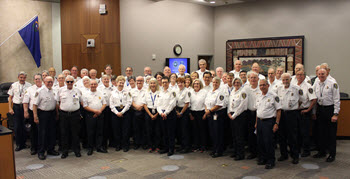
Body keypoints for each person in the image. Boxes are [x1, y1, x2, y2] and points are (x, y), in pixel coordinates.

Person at [313, 68, 340, 162]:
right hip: (320, 109)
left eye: (323, 74)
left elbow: (337, 100)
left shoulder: (333, 83)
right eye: (319, 74)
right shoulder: (316, 82)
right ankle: (322, 152)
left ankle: (332, 154)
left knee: (331, 134)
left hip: (330, 110)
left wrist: (335, 114)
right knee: (321, 132)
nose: (321, 76)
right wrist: (314, 112)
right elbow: (314, 97)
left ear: (327, 74)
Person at [276, 73, 303, 164]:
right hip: (282, 114)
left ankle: (295, 156)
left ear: (290, 79)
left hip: (292, 114)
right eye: (283, 80)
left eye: (287, 79)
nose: (285, 81)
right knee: (281, 136)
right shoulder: (279, 89)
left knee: (292, 136)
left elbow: (302, 99)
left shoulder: (296, 88)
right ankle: (284, 155)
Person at [255, 79, 281, 169]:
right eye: (260, 85)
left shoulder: (274, 96)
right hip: (260, 121)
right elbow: (257, 111)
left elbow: (278, 110)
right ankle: (263, 158)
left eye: (264, 85)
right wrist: (256, 123)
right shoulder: (258, 96)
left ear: (268, 85)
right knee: (260, 141)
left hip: (269, 122)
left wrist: (276, 123)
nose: (262, 87)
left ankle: (271, 161)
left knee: (268, 142)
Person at [33, 76, 59, 160]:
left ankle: (51, 149)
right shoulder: (39, 91)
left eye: (51, 82)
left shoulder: (54, 90)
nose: (50, 83)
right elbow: (35, 105)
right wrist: (35, 116)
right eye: (48, 82)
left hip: (52, 113)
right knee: (42, 133)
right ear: (44, 82)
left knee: (52, 132)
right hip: (42, 114)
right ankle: (41, 151)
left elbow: (56, 103)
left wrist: (57, 113)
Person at [57, 75, 82, 158]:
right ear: (65, 82)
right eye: (68, 82)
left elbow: (81, 101)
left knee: (75, 133)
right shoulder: (61, 90)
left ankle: (77, 151)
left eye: (71, 82)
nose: (69, 83)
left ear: (73, 82)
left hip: (75, 114)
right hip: (64, 115)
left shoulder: (78, 90)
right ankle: (65, 151)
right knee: (64, 133)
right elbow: (57, 102)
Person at [8, 71, 32, 151]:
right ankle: (19, 144)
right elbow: (10, 97)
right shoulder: (14, 85)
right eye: (21, 77)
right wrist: (10, 108)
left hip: (25, 107)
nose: (22, 79)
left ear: (26, 78)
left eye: (24, 77)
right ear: (18, 77)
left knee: (25, 126)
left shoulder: (29, 85)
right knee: (17, 126)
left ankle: (24, 143)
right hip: (16, 107)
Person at [83, 79, 107, 155]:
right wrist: (94, 111)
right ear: (89, 85)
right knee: (90, 132)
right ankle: (90, 148)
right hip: (90, 115)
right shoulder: (86, 94)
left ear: (97, 85)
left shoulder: (100, 93)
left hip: (100, 114)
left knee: (100, 132)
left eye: (94, 84)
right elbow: (85, 106)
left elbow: (104, 104)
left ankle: (99, 147)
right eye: (92, 84)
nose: (93, 86)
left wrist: (99, 111)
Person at [296, 70, 317, 157]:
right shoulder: (294, 86)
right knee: (297, 132)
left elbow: (314, 99)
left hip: (304, 111)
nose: (299, 76)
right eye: (298, 75)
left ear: (304, 76)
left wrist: (308, 110)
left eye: (301, 75)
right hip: (296, 111)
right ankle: (298, 149)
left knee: (305, 133)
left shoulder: (308, 86)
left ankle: (306, 150)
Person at [204, 77, 226, 158]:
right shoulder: (210, 92)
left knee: (218, 133)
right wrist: (207, 111)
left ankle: (219, 151)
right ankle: (214, 149)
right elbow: (206, 102)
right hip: (210, 114)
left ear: (219, 83)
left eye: (216, 82)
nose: (214, 84)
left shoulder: (221, 93)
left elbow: (219, 105)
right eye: (213, 82)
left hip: (218, 114)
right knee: (212, 133)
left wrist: (209, 111)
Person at [110, 76, 132, 152]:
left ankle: (125, 145)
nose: (121, 84)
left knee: (125, 130)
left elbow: (129, 103)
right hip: (115, 112)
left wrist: (122, 112)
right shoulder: (112, 92)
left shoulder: (127, 92)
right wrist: (117, 112)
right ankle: (118, 145)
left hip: (125, 112)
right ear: (116, 83)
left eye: (123, 82)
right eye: (120, 82)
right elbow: (111, 104)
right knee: (116, 130)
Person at [156, 76, 177, 156]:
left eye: (166, 82)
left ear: (168, 83)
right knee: (164, 132)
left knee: (170, 132)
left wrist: (166, 113)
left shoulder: (172, 92)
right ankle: (166, 148)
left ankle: (171, 149)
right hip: (162, 114)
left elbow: (172, 104)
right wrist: (161, 113)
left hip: (170, 114)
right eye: (163, 82)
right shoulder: (160, 92)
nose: (164, 84)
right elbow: (158, 104)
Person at [228, 78, 248, 160]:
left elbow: (243, 105)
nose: (236, 84)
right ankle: (235, 152)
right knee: (234, 135)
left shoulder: (243, 92)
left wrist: (234, 115)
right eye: (235, 82)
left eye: (238, 82)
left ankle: (240, 154)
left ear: (240, 83)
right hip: (231, 115)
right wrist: (228, 112)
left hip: (239, 116)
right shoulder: (232, 91)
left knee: (239, 136)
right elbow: (229, 103)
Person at [23, 73, 42, 155]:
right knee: (33, 131)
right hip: (32, 112)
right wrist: (25, 111)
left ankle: (42, 147)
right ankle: (34, 148)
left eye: (39, 79)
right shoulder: (30, 89)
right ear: (34, 80)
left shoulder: (45, 88)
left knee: (42, 131)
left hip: (43, 112)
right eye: (36, 79)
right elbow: (25, 101)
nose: (38, 80)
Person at [243, 71, 261, 159]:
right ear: (248, 79)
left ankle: (259, 152)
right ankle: (252, 152)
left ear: (258, 79)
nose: (253, 79)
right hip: (249, 114)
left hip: (259, 114)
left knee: (259, 134)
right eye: (251, 78)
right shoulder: (246, 89)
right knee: (250, 133)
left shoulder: (261, 88)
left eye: (254, 78)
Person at [143, 78, 161, 152]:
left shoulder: (160, 92)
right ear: (149, 84)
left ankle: (157, 146)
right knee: (149, 130)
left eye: (154, 83)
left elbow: (161, 104)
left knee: (157, 130)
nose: (153, 85)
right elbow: (144, 104)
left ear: (156, 84)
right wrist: (150, 114)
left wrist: (156, 114)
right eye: (151, 83)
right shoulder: (146, 93)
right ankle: (150, 146)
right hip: (149, 112)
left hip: (158, 112)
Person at [190, 79, 208, 152]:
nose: (196, 85)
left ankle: (203, 146)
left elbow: (206, 103)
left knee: (202, 130)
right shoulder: (190, 92)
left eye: (197, 83)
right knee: (194, 130)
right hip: (193, 113)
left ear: (200, 84)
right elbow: (189, 104)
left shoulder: (204, 92)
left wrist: (205, 113)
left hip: (201, 112)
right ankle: (196, 145)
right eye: (195, 83)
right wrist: (190, 114)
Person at [97, 75, 115, 149]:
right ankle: (103, 144)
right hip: (103, 109)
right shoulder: (99, 88)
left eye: (107, 79)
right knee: (103, 127)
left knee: (112, 126)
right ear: (101, 80)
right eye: (104, 79)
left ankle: (112, 143)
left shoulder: (113, 88)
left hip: (111, 109)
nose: (106, 80)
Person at [130, 76, 147, 150]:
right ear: (135, 81)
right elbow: (131, 101)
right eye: (138, 80)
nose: (139, 82)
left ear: (143, 82)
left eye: (141, 80)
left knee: (144, 128)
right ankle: (136, 143)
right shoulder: (132, 91)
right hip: (134, 111)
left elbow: (146, 100)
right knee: (135, 128)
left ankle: (143, 143)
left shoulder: (146, 90)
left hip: (143, 111)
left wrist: (141, 106)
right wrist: (136, 106)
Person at [175, 77, 191, 153]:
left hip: (184, 111)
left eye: (181, 82)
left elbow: (187, 103)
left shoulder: (187, 91)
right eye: (178, 83)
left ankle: (186, 147)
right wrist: (176, 112)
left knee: (185, 130)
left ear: (184, 83)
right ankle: (181, 145)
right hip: (177, 110)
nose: (180, 84)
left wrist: (181, 113)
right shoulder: (176, 91)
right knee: (179, 130)